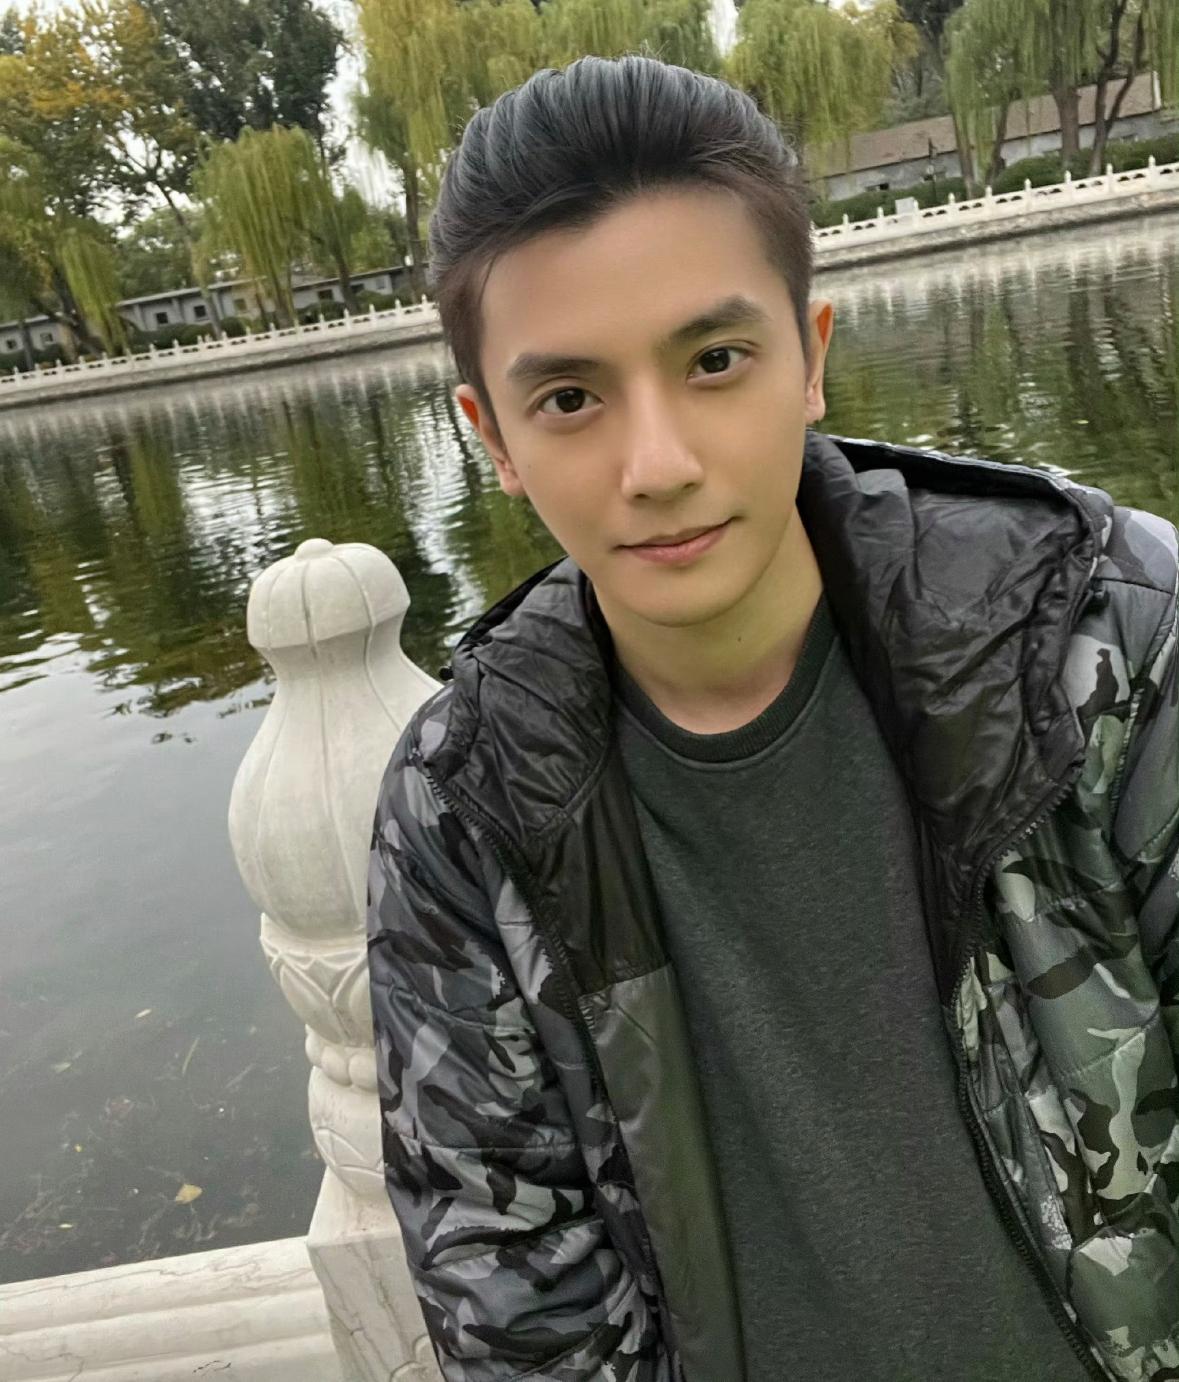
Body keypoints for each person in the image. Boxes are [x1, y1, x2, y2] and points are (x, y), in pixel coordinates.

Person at [366, 54, 1178, 1382]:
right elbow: (522, 1313)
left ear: (811, 358)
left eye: (715, 360)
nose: (658, 465)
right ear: (491, 437)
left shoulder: (1099, 634)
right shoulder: (466, 805)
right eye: (569, 398)